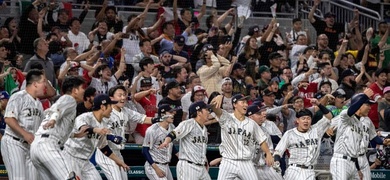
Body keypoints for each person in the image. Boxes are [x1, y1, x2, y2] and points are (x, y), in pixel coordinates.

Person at [95, 85, 159, 180]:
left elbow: (143, 119)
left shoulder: (126, 111)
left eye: (124, 95)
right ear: (111, 98)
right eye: (120, 95)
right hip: (105, 153)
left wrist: (159, 119)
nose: (123, 98)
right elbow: (98, 132)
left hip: (117, 153)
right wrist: (112, 137)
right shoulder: (105, 113)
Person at [62, 94, 129, 179]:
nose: (112, 109)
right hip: (71, 158)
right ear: (103, 107)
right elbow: (83, 129)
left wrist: (119, 162)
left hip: (85, 161)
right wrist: (96, 130)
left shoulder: (103, 124)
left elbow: (104, 148)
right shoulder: (84, 117)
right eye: (110, 106)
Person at [30, 76, 85, 179]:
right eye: (82, 88)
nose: (84, 91)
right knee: (71, 177)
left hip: (37, 147)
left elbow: (60, 125)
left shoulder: (65, 103)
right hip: (48, 146)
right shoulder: (69, 99)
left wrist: (76, 134)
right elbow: (57, 110)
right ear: (75, 90)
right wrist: (53, 119)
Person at [210, 94, 274, 180]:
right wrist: (217, 98)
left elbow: (261, 140)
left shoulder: (252, 123)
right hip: (228, 161)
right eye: (242, 102)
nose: (246, 104)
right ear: (234, 104)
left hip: (246, 162)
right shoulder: (226, 118)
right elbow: (214, 107)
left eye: (246, 102)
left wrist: (268, 153)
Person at [1, 69, 48, 180]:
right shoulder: (18, 97)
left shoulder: (39, 104)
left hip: (30, 147)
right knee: (19, 178)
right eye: (43, 82)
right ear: (35, 84)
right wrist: (25, 134)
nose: (45, 85)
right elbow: (8, 118)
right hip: (14, 143)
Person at [272, 98, 333, 180]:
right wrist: (276, 161)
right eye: (303, 118)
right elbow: (278, 151)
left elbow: (328, 116)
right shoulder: (289, 134)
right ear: (297, 120)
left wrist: (319, 104)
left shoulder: (316, 129)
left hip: (310, 171)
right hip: (294, 170)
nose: (306, 121)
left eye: (308, 118)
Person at [330, 88, 375, 180]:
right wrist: (364, 96)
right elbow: (350, 111)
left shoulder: (360, 124)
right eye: (367, 104)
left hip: (353, 162)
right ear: (359, 104)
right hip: (341, 161)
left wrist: (358, 169)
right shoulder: (345, 117)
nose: (370, 108)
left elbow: (355, 150)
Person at [159, 101, 211, 180]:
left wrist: (205, 160)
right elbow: (172, 134)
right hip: (188, 166)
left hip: (201, 167)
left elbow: (201, 147)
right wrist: (166, 141)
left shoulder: (204, 129)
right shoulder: (188, 124)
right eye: (206, 110)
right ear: (199, 112)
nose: (208, 112)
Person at [246, 105, 283, 180]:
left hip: (264, 166)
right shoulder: (244, 131)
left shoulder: (264, 130)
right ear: (250, 117)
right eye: (258, 114)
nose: (261, 116)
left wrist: (271, 157)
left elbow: (270, 149)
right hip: (248, 168)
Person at [142, 104, 177, 180]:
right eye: (170, 112)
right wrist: (156, 168)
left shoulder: (172, 127)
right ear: (163, 114)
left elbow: (170, 144)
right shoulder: (152, 130)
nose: (173, 114)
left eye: (173, 112)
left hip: (166, 165)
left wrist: (179, 155)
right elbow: (145, 150)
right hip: (154, 165)